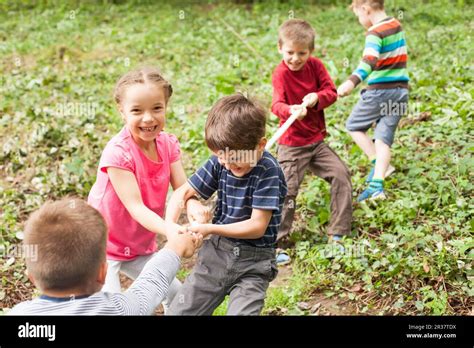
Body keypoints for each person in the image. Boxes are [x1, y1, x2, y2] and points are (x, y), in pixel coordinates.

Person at [87, 67, 210, 308]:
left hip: (138, 244)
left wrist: (193, 202)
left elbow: (183, 187)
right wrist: (171, 231)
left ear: (166, 106)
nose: (148, 118)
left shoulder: (167, 144)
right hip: (102, 247)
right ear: (121, 111)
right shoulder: (118, 153)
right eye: (136, 110)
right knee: (112, 309)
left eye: (157, 108)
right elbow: (135, 207)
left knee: (177, 295)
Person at [166, 94, 287, 315]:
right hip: (217, 254)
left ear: (260, 145)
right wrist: (172, 225)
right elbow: (182, 192)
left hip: (255, 262)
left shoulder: (268, 171)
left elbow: (257, 226)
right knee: (180, 311)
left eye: (235, 160)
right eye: (221, 158)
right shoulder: (222, 160)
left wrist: (209, 228)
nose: (228, 165)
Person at [8, 198, 201, 315]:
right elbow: (151, 282)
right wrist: (174, 247)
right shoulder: (115, 309)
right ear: (102, 273)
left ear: (32, 277)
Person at [272, 19, 353, 264]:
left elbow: (331, 92)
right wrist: (291, 110)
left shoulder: (316, 67)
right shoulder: (281, 74)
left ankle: (337, 234)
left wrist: (317, 98)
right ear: (280, 48)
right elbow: (276, 105)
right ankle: (275, 244)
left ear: (311, 52)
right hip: (291, 144)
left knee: (341, 175)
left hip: (316, 142)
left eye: (301, 53)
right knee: (287, 192)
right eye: (290, 52)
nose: (295, 58)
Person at [337, 0, 409, 202]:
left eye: (358, 16)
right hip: (401, 91)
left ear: (365, 9)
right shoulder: (396, 24)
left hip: (380, 92)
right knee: (383, 138)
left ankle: (377, 162)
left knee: (353, 126)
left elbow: (370, 60)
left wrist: (351, 82)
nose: (360, 20)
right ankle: (378, 184)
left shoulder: (375, 32)